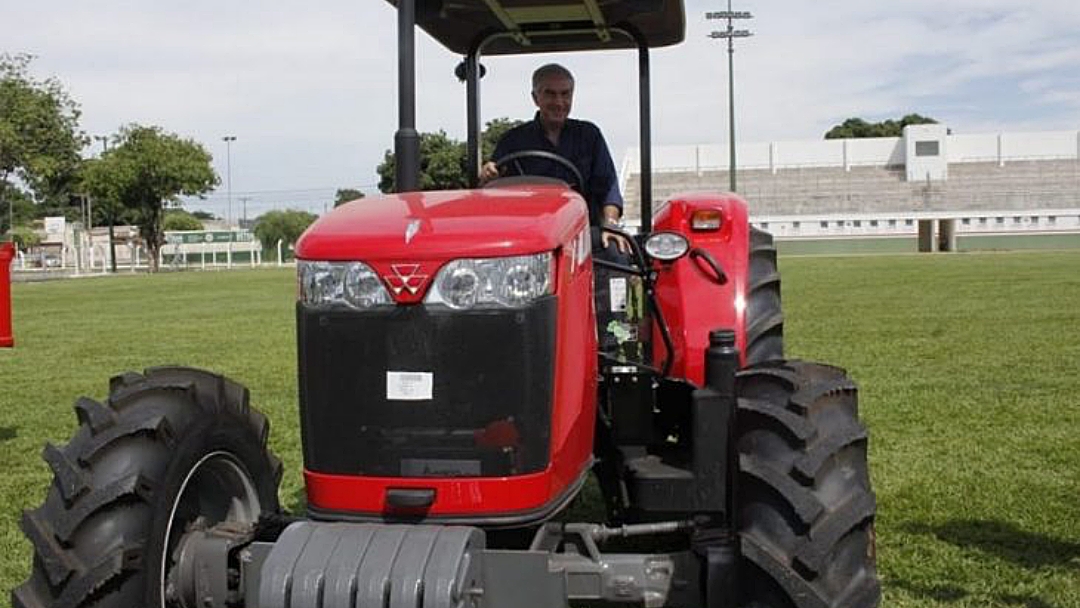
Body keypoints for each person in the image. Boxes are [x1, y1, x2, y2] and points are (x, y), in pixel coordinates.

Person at [481, 63, 628, 252]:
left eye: (565, 94)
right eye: (550, 94)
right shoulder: (513, 140)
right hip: (528, 234)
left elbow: (608, 185)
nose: (559, 102)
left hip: (580, 232)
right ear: (535, 98)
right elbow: (493, 189)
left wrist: (610, 223)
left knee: (614, 250)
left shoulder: (589, 135)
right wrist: (488, 175)